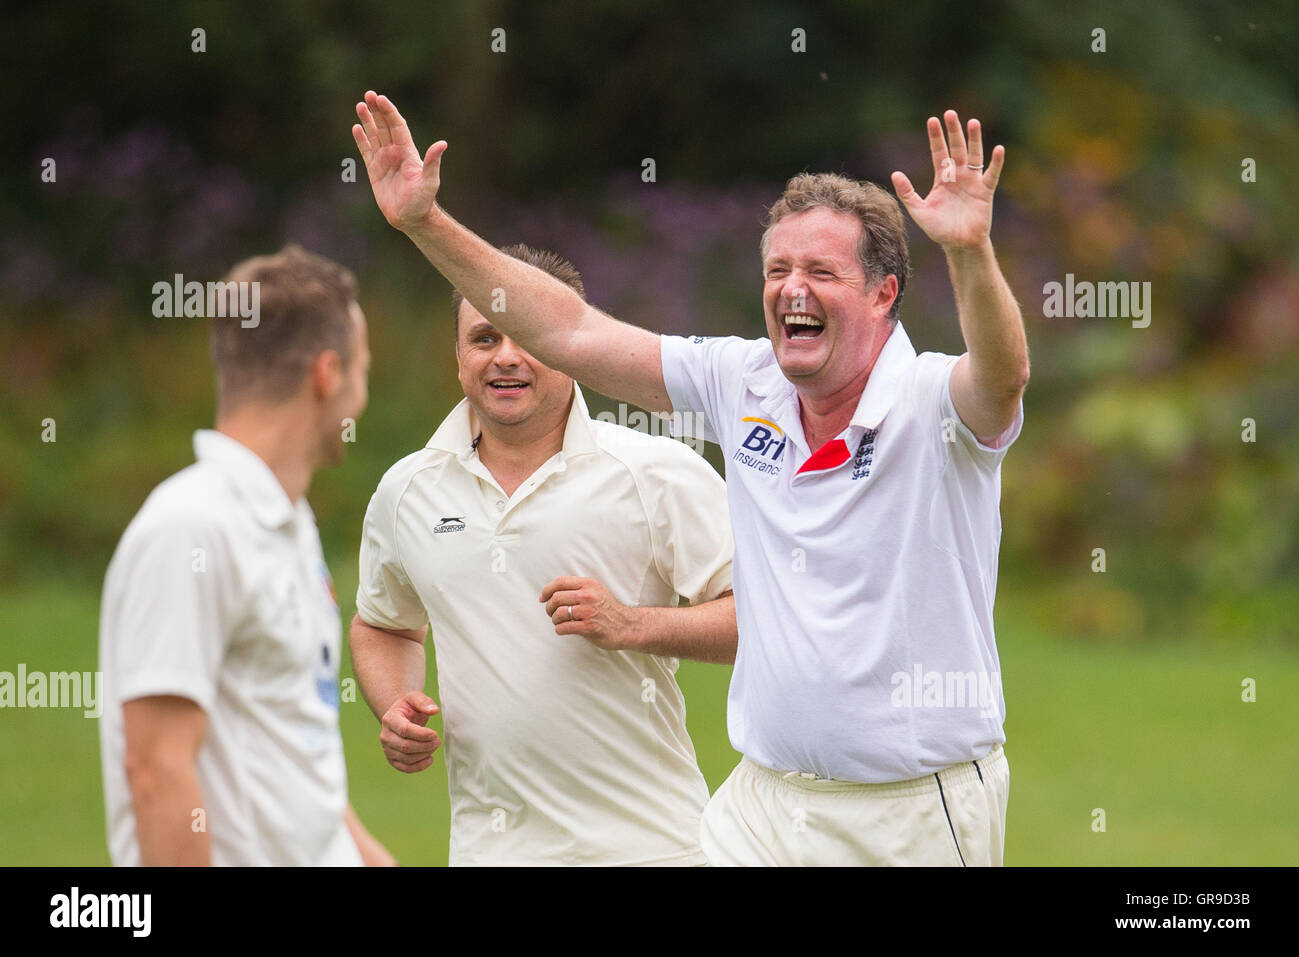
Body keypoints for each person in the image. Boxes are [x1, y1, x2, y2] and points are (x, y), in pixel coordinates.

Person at [351, 91, 1028, 866]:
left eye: (820, 271)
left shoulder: (934, 403)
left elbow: (1003, 377)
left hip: (912, 810)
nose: (791, 288)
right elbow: (570, 329)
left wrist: (970, 250)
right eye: (778, 269)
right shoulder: (744, 383)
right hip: (762, 803)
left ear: (884, 293)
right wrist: (423, 222)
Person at [350, 242, 736, 866]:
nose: (507, 356)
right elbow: (383, 625)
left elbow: (764, 620)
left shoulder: (656, 472)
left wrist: (635, 624)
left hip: (653, 850)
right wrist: (394, 705)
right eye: (483, 338)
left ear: (570, 347)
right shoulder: (406, 490)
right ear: (457, 357)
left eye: (528, 335)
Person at [99, 245, 394, 866]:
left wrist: (368, 856)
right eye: (364, 369)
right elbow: (156, 773)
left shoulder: (290, 522)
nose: (364, 393)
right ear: (327, 374)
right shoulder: (190, 529)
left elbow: (287, 729)